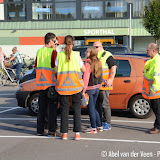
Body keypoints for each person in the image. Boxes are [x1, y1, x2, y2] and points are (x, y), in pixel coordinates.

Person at [55, 35, 86, 140]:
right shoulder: (77, 55)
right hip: (76, 86)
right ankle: (77, 134)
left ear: (64, 43)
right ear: (73, 43)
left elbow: (55, 70)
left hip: (63, 87)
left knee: (64, 111)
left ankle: (64, 134)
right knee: (77, 110)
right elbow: (84, 69)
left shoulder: (59, 56)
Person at [35, 32, 61, 136]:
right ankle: (52, 130)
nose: (55, 43)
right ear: (50, 41)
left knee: (42, 108)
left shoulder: (39, 51)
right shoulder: (53, 52)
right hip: (51, 83)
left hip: (41, 84)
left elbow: (36, 67)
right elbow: (55, 68)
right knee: (52, 109)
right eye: (54, 41)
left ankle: (40, 130)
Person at [93, 41, 116, 131]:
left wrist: (111, 79)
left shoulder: (107, 55)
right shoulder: (93, 56)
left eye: (97, 47)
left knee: (104, 104)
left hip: (104, 84)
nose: (95, 49)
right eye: (94, 47)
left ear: (101, 47)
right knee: (97, 105)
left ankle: (107, 123)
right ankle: (99, 122)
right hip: (96, 84)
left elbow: (113, 67)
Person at [83, 47, 103, 134]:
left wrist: (83, 91)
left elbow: (86, 78)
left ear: (91, 54)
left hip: (90, 89)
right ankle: (99, 125)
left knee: (91, 109)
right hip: (97, 88)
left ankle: (93, 127)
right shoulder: (99, 62)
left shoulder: (88, 64)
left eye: (87, 52)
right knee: (94, 108)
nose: (85, 53)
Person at [142, 43, 160, 134]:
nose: (146, 51)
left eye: (148, 50)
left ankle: (157, 127)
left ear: (153, 51)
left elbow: (157, 77)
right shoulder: (153, 60)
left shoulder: (156, 61)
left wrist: (153, 89)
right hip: (155, 89)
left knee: (157, 109)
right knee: (156, 109)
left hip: (156, 90)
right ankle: (157, 126)